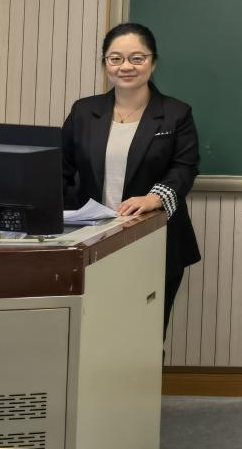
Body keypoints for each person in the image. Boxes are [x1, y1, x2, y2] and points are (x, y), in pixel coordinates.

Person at [61, 22, 200, 334]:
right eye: (116, 58)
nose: (126, 66)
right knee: (96, 334)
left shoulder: (176, 113)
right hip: (91, 241)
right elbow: (61, 169)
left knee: (145, 335)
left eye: (137, 58)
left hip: (155, 240)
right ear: (105, 63)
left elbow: (185, 168)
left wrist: (155, 198)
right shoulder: (84, 111)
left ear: (153, 62)